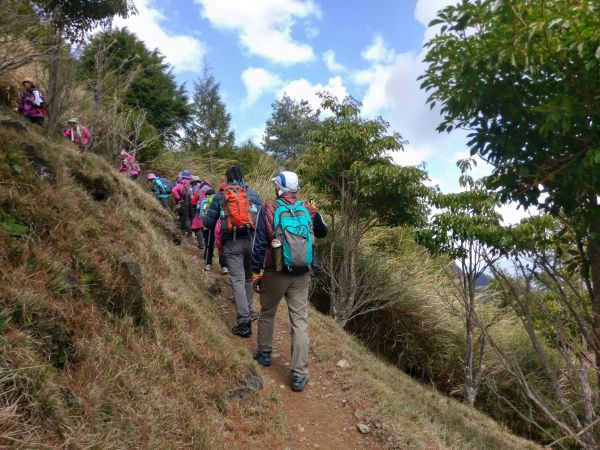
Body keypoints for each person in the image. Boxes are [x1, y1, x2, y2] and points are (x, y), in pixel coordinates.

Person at [250, 171, 328, 392]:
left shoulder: (269, 208)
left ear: (279, 189)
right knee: (299, 322)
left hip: (276, 270)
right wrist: (315, 211)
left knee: (267, 312)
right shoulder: (308, 209)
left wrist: (256, 271)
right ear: (296, 189)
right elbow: (323, 232)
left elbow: (259, 243)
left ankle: (264, 353)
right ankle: (299, 375)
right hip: (302, 273)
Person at [204, 166, 262, 337]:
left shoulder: (221, 195)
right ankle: (249, 311)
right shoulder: (253, 194)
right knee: (248, 278)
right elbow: (261, 218)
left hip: (232, 243)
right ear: (242, 177)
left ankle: (244, 323)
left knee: (236, 281)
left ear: (227, 178)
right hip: (252, 242)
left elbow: (208, 223)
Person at [171, 170, 192, 236]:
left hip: (183, 202)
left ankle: (186, 231)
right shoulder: (192, 183)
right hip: (192, 202)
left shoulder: (181, 184)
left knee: (184, 217)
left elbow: (173, 190)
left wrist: (178, 197)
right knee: (191, 217)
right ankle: (193, 231)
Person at [188, 176, 206, 249]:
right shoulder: (206, 187)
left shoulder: (195, 189)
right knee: (204, 226)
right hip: (208, 210)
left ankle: (201, 244)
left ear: (193, 182)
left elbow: (193, 201)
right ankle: (207, 242)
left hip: (198, 210)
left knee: (197, 226)